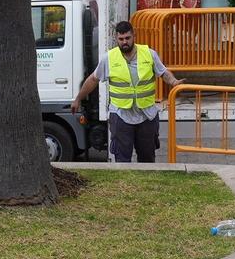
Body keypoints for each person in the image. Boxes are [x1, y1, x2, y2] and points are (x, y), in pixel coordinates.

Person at [71, 17, 173, 164]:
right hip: (120, 115)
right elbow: (93, 79)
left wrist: (174, 82)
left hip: (146, 115)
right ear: (116, 39)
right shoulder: (109, 58)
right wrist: (78, 99)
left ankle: (146, 185)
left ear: (134, 36)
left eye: (127, 38)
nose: (125, 42)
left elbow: (163, 73)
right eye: (121, 39)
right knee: (122, 160)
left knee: (147, 159)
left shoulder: (149, 54)